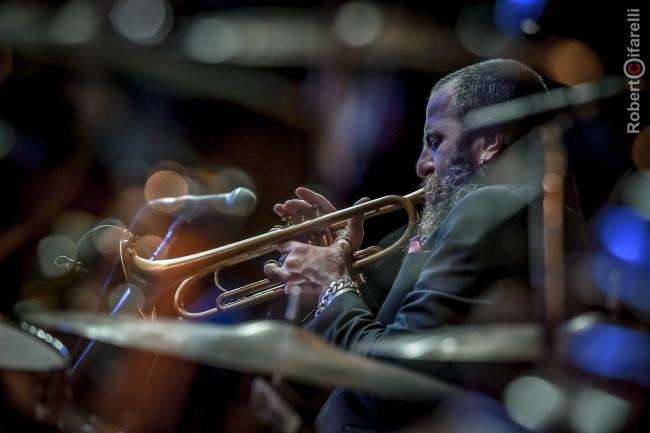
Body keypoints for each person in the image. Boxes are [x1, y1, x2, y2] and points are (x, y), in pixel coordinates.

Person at [270, 59, 584, 433]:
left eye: (434, 140)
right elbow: (371, 344)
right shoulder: (501, 221)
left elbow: (393, 381)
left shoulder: (489, 209)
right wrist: (323, 287)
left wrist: (334, 283)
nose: (421, 165)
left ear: (488, 142)